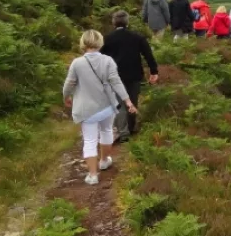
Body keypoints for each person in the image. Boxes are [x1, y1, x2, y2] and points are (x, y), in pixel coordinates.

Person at [63, 30, 137, 185]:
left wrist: (66, 96)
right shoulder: (108, 60)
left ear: (83, 43)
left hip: (86, 109)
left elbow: (69, 83)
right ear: (100, 42)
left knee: (90, 140)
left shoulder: (77, 63)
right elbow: (116, 82)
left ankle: (92, 175)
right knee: (106, 131)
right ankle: (104, 161)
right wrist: (127, 101)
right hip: (106, 106)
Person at [101, 10, 159, 142]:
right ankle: (131, 128)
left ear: (113, 23)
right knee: (132, 101)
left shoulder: (107, 38)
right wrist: (154, 71)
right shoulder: (137, 37)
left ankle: (123, 132)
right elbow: (148, 55)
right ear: (127, 22)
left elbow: (100, 57)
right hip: (134, 74)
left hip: (115, 75)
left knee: (119, 104)